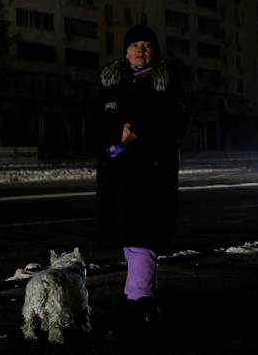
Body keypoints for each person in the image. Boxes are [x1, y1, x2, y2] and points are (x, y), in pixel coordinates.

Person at [92, 24, 190, 339]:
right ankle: (139, 304)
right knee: (130, 240)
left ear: (155, 51)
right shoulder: (112, 84)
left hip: (151, 175)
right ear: (125, 51)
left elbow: (178, 121)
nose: (141, 50)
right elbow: (94, 121)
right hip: (119, 175)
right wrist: (113, 139)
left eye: (147, 45)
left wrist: (140, 131)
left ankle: (138, 304)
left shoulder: (166, 83)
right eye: (135, 45)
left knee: (142, 239)